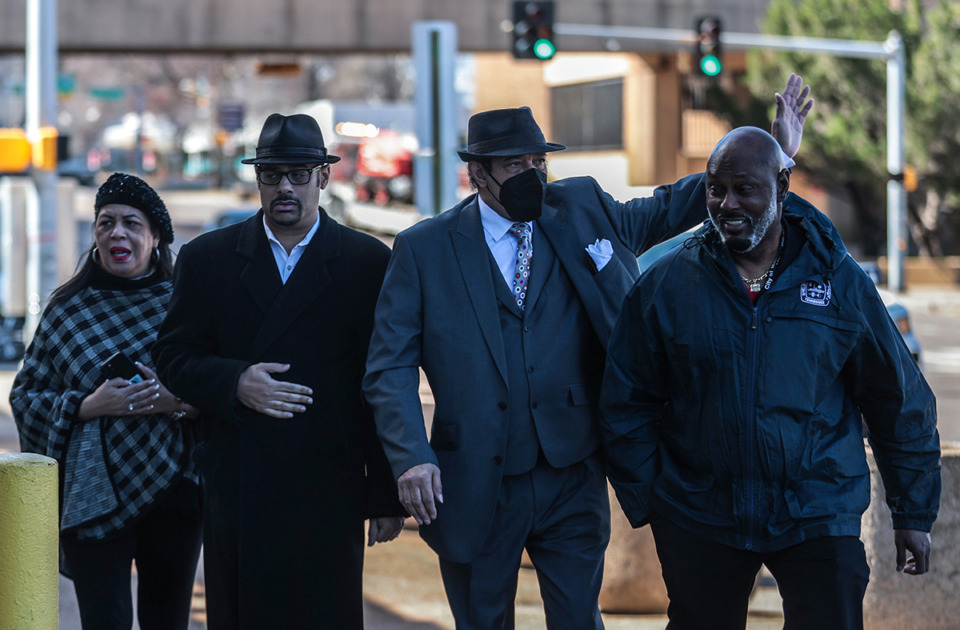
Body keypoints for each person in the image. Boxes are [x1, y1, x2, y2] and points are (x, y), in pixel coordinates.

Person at [363, 77, 812, 628]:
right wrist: (411, 455)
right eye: (515, 166)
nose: (533, 175)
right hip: (477, 476)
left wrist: (774, 152)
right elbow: (388, 367)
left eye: (538, 161)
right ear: (478, 173)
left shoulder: (579, 207)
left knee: (579, 618)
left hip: (572, 471)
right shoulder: (423, 249)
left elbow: (666, 209)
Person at [599, 126, 941, 630]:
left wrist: (913, 513)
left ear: (782, 187)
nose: (726, 203)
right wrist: (655, 501)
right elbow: (626, 398)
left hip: (818, 510)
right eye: (716, 189)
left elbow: (898, 398)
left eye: (745, 188)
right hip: (701, 514)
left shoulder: (837, 280)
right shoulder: (669, 284)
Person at [151, 112, 405, 629]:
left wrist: (384, 492)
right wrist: (235, 382)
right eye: (271, 175)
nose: (284, 187)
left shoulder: (367, 262)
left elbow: (382, 383)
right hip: (241, 482)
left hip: (329, 484)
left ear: (324, 177)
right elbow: (173, 357)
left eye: (298, 173)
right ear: (258, 179)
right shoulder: (208, 259)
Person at [10, 172, 202, 630]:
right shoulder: (67, 309)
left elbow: (219, 388)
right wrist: (86, 405)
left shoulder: (188, 305)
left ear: (156, 237)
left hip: (176, 488)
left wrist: (173, 400)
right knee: (105, 621)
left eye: (132, 223)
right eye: (105, 223)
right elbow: (24, 396)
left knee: (167, 620)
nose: (117, 233)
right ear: (95, 235)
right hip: (90, 494)